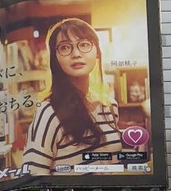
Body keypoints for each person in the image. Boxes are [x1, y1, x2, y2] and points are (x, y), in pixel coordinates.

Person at [21, 18, 123, 175]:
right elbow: (33, 177)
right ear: (56, 59)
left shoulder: (109, 106)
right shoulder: (49, 112)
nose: (76, 54)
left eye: (84, 45)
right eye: (65, 48)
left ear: (97, 52)